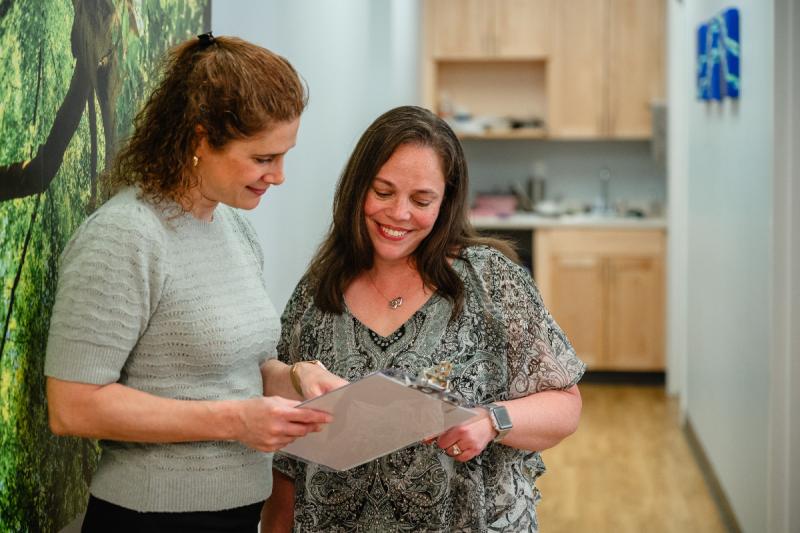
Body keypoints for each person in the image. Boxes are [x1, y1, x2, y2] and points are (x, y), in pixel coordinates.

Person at [44, 33, 346, 532]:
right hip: (149, 516)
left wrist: (295, 379)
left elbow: (234, 367)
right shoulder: (126, 236)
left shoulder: (234, 229)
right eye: (264, 158)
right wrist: (237, 421)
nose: (280, 176)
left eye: (283, 156)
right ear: (201, 139)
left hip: (236, 511)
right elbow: (72, 407)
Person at [262, 105, 586, 532]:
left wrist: (491, 421)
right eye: (382, 192)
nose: (398, 214)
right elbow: (288, 458)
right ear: (357, 188)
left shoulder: (490, 281)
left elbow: (565, 406)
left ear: (446, 202)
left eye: (421, 200)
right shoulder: (317, 293)